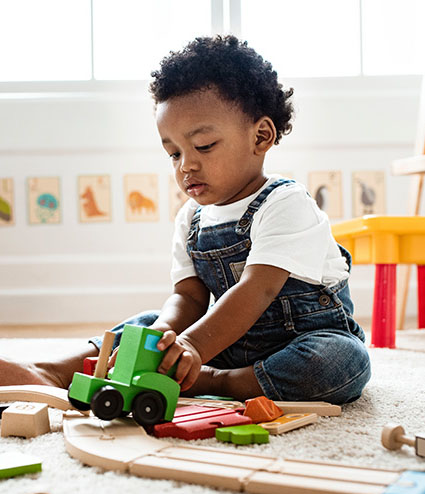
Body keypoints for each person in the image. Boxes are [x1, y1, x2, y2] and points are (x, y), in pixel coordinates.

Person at [0, 35, 371, 402]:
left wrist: (192, 345)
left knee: (340, 363)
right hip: (222, 341)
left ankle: (214, 383)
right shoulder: (192, 217)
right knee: (147, 323)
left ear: (260, 136)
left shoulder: (286, 202)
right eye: (173, 153)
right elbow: (189, 296)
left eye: (204, 146)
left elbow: (259, 288)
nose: (186, 165)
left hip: (299, 342)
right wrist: (163, 338)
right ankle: (53, 372)